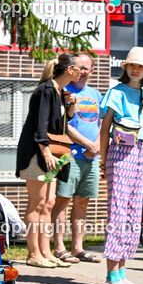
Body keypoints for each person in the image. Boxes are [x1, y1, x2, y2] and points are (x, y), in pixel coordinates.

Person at [98, 47, 143, 284]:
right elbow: (105, 129)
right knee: (118, 213)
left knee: (133, 212)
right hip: (119, 153)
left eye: (141, 66)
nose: (135, 69)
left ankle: (121, 275)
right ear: (125, 67)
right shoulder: (116, 92)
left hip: (139, 152)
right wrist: (103, 160)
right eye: (131, 65)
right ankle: (111, 278)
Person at [15, 53, 78, 268]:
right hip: (38, 154)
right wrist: (46, 152)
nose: (82, 72)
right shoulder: (46, 90)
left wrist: (71, 105)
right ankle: (33, 253)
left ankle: (46, 252)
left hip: (54, 154)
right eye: (79, 68)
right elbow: (40, 125)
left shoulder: (60, 92)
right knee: (37, 203)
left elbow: (60, 124)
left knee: (49, 203)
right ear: (69, 70)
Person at [51, 52, 103, 264]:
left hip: (91, 157)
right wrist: (87, 144)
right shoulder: (64, 91)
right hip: (69, 154)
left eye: (85, 68)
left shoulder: (96, 94)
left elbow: (102, 123)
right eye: (79, 67)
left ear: (92, 71)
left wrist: (97, 145)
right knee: (62, 200)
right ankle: (59, 248)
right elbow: (63, 124)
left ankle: (78, 248)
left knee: (83, 201)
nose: (82, 71)